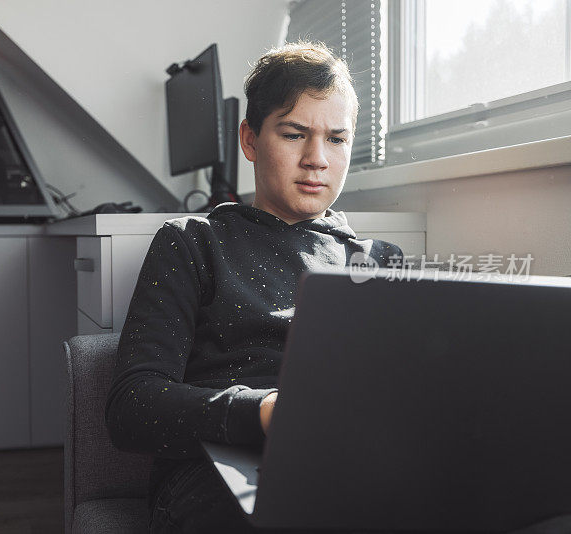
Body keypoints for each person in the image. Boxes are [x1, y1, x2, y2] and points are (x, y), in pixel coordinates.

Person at [105, 40, 403, 533]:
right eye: (294, 135)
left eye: (337, 139)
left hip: (346, 462)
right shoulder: (193, 242)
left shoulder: (375, 260)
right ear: (249, 140)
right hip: (218, 471)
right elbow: (131, 405)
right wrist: (262, 411)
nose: (317, 159)